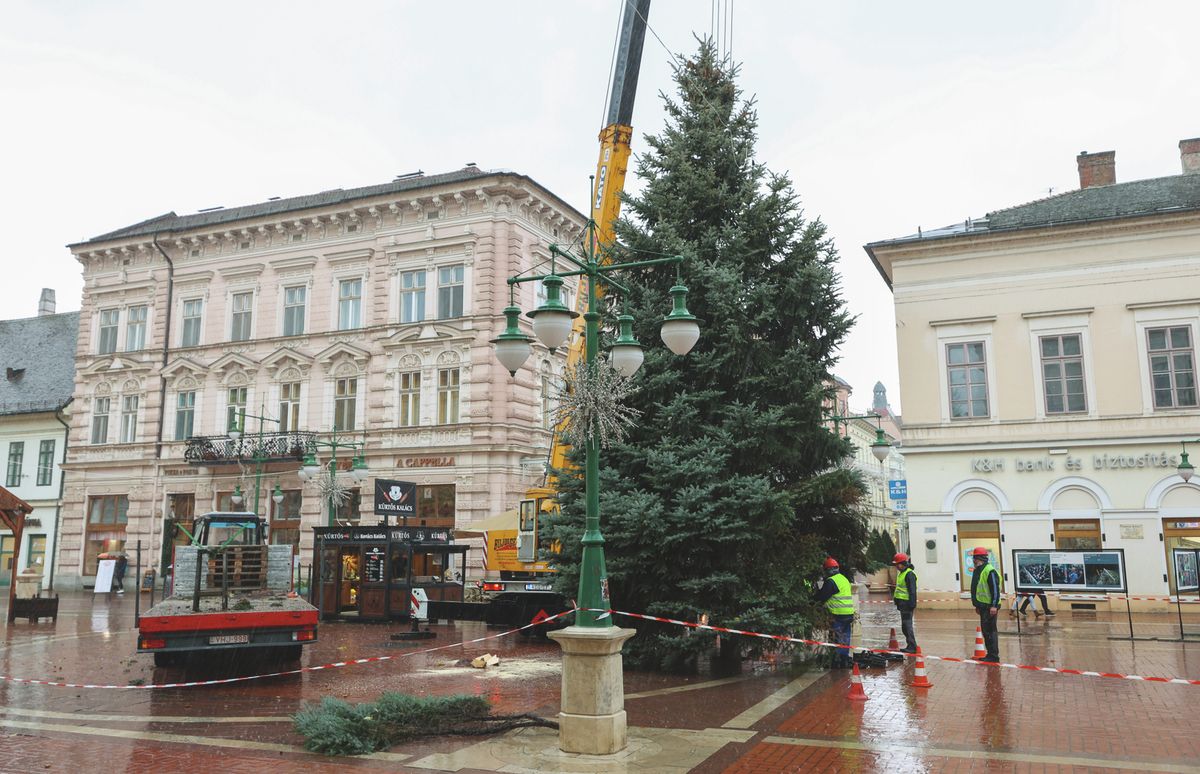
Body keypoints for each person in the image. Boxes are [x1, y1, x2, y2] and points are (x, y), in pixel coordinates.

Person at [814, 557, 856, 668]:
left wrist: (813, 596)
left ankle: (836, 661)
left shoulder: (831, 581)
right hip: (849, 613)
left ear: (828, 570)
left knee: (835, 638)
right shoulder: (843, 578)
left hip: (838, 615)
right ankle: (844, 659)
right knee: (845, 637)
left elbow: (822, 597)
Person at [969, 547, 1000, 662]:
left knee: (990, 631)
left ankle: (993, 655)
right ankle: (990, 654)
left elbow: (995, 590)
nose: (973, 560)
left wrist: (994, 605)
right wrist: (977, 605)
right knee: (986, 631)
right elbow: (977, 589)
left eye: (974, 558)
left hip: (990, 607)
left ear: (979, 558)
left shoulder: (989, 570)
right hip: (983, 606)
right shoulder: (978, 570)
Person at [892, 552, 918, 653]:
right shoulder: (902, 573)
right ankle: (910, 645)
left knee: (907, 626)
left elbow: (912, 590)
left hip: (907, 604)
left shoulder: (909, 574)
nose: (896, 567)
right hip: (902, 604)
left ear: (902, 563)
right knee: (904, 626)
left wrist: (912, 604)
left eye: (897, 564)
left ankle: (912, 646)